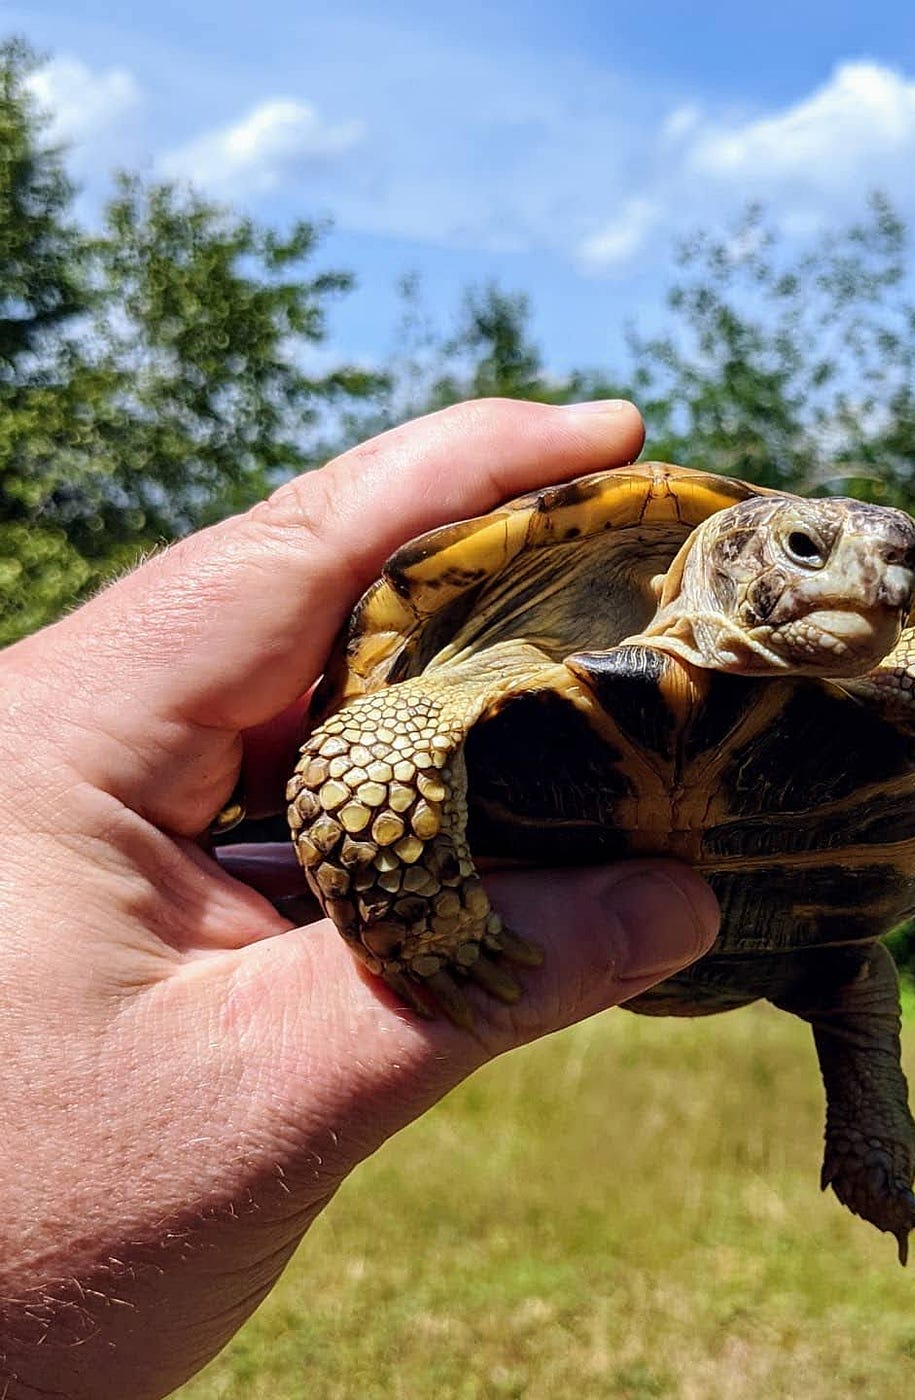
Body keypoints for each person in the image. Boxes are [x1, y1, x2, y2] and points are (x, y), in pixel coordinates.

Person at [0, 399, 720, 1400]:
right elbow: (360, 748)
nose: (872, 576)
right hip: (469, 730)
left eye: (893, 555)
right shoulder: (487, 639)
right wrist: (428, 932)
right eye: (811, 548)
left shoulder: (881, 632)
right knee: (377, 759)